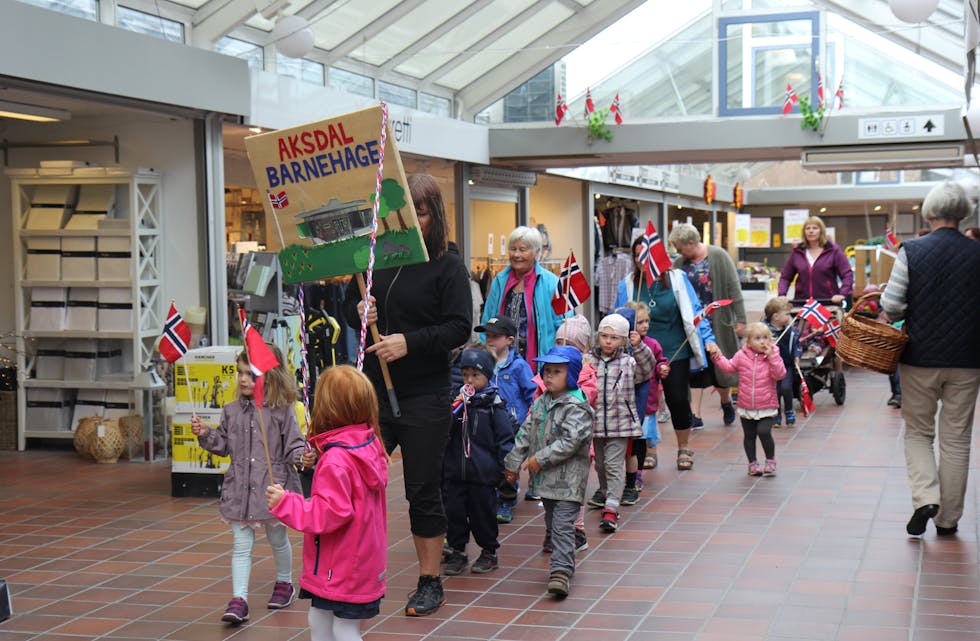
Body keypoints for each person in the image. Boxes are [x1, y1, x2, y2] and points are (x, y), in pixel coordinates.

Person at [342, 173, 472, 617]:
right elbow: (348, 306)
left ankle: (430, 579)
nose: (410, 222)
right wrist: (360, 309)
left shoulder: (448, 264)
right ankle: (354, 571)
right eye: (401, 213)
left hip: (425, 394)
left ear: (434, 214)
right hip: (375, 393)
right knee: (357, 480)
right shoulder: (378, 256)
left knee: (422, 490)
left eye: (418, 212)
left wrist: (408, 342)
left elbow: (459, 327)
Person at [880, 182, 980, 537]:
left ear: (931, 212)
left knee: (919, 433)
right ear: (962, 213)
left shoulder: (913, 251)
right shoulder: (977, 251)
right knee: (956, 439)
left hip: (920, 357)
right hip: (969, 359)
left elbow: (891, 306)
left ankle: (925, 498)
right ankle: (948, 519)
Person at [264, 366, 388, 641]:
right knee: (319, 618)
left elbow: (328, 513)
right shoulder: (368, 443)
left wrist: (286, 503)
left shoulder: (336, 459)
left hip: (340, 567)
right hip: (356, 562)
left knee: (343, 629)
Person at [190, 346, 307, 624]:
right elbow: (223, 446)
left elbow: (293, 445)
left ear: (270, 376)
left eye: (250, 374)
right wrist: (207, 434)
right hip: (240, 490)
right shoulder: (231, 411)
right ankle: (239, 599)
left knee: (277, 539)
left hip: (272, 489)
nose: (243, 379)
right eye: (239, 373)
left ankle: (285, 583)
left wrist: (305, 457)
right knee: (241, 546)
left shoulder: (281, 411)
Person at [616, 236, 718, 471]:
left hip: (674, 351)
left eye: (648, 254)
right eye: (638, 255)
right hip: (641, 353)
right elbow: (620, 316)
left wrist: (709, 341)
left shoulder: (677, 279)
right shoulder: (628, 284)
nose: (643, 260)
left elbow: (695, 313)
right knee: (645, 402)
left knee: (678, 399)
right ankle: (650, 448)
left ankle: (683, 447)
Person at [504, 345, 594, 598]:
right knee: (552, 522)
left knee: (563, 525)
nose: (549, 377)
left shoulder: (577, 407)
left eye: (557, 371)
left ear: (572, 374)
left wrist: (539, 459)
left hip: (569, 481)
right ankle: (561, 560)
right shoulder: (542, 401)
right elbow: (525, 432)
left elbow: (570, 441)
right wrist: (512, 464)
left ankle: (561, 572)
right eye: (547, 371)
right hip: (546, 481)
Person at [442, 346, 515, 575]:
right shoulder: (457, 403)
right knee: (454, 513)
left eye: (475, 375)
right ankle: (457, 551)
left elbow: (505, 438)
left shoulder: (493, 406)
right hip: (456, 472)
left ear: (487, 375)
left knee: (482, 514)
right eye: (465, 375)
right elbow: (444, 433)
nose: (469, 380)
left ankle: (489, 551)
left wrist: (507, 467)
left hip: (483, 474)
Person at [669, 223, 746, 428]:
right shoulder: (679, 263)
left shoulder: (718, 256)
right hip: (691, 324)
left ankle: (725, 401)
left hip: (717, 322)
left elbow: (733, 289)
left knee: (719, 367)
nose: (678, 252)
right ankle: (695, 414)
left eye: (680, 247)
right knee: (695, 369)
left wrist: (740, 319)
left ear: (692, 243)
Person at [584, 313, 653, 533]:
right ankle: (606, 493)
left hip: (619, 423)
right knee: (602, 465)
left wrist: (639, 346)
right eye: (604, 336)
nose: (607, 341)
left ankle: (612, 507)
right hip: (595, 423)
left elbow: (647, 368)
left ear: (623, 340)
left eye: (613, 338)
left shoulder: (629, 361)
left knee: (614, 465)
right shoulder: (589, 360)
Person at [475, 316, 535, 524]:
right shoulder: (484, 363)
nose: (490, 341)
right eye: (487, 336)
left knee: (508, 461)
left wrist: (529, 417)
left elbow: (531, 393)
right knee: (488, 460)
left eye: (495, 337)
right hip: (486, 421)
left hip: (512, 424)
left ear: (509, 340)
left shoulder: (519, 366)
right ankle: (490, 496)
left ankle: (507, 500)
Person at [481, 226, 570, 363]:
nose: (516, 255)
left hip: (539, 365)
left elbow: (565, 327)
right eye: (513, 249)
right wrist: (484, 354)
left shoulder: (551, 283)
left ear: (536, 253)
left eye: (522, 250)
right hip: (501, 364)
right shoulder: (500, 280)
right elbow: (487, 319)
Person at [707, 323, 786, 476]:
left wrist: (772, 357)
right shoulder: (741, 355)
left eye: (765, 338)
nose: (762, 342)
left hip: (766, 404)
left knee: (764, 432)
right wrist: (718, 358)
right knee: (749, 436)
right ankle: (752, 463)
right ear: (748, 342)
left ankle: (770, 460)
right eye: (757, 338)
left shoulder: (773, 355)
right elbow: (729, 367)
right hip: (746, 405)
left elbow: (780, 374)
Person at [626, 301, 669, 473]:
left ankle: (642, 465)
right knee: (632, 438)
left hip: (648, 397)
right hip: (629, 397)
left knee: (643, 435)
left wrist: (663, 368)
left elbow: (658, 362)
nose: (645, 325)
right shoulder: (624, 344)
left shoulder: (652, 344)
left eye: (646, 321)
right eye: (640, 322)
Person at [778, 215, 854, 304]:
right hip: (802, 303)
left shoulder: (833, 250)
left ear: (821, 231)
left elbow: (847, 274)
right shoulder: (797, 252)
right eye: (808, 228)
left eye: (815, 228)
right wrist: (782, 294)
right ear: (804, 232)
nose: (811, 231)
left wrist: (842, 294)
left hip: (828, 303)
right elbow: (785, 277)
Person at [764, 296, 801, 428]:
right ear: (776, 317)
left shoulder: (790, 330)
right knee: (775, 390)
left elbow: (797, 343)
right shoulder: (765, 331)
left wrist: (797, 355)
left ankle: (789, 410)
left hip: (786, 364)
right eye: (786, 314)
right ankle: (777, 413)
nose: (789, 317)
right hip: (771, 366)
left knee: (786, 388)